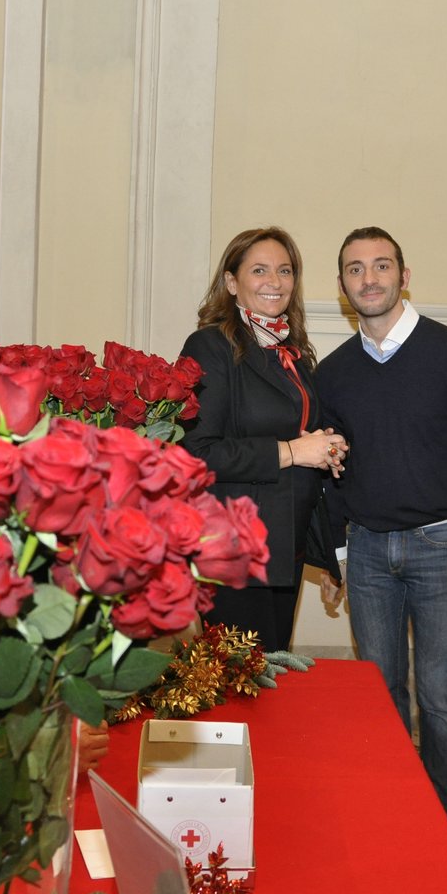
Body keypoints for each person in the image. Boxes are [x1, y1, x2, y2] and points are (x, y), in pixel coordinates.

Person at [315, 226, 447, 825]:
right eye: (355, 269)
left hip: (443, 548)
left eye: (381, 266)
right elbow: (328, 471)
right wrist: (335, 557)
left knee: (440, 697)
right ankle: (392, 814)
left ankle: (438, 825)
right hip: (368, 551)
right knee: (378, 694)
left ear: (405, 277)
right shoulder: (334, 373)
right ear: (344, 284)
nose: (368, 278)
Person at [180, 227, 348, 651]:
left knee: (273, 682)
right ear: (232, 282)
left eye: (285, 270)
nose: (275, 281)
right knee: (241, 688)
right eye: (259, 270)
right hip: (232, 550)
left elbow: (299, 437)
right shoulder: (209, 346)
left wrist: (324, 446)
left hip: (283, 547)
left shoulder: (291, 351)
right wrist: (293, 451)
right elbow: (197, 453)